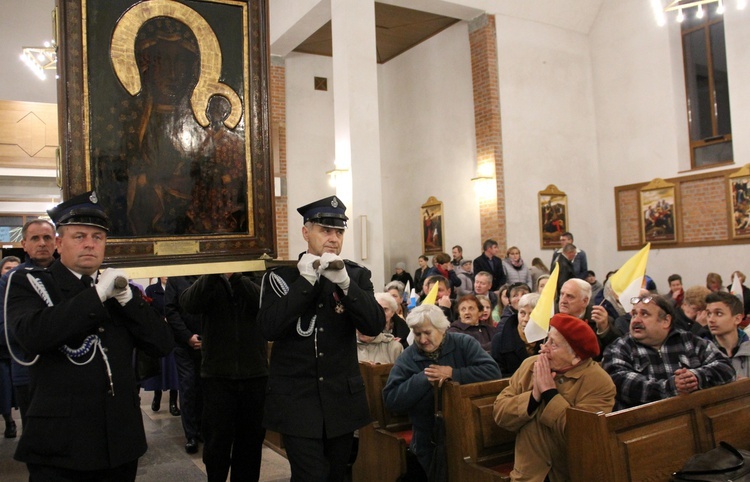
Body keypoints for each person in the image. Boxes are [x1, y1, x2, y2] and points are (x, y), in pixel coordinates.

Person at [6, 191, 174, 480]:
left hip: (120, 440)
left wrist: (128, 301)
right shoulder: (30, 283)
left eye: (97, 237)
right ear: (59, 244)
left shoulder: (120, 290)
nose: (89, 244)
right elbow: (33, 335)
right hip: (62, 444)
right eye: (79, 236)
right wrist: (96, 296)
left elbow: (162, 343)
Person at [258, 195, 385, 481]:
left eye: (339, 232)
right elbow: (269, 327)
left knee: (338, 474)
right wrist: (304, 284)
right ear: (306, 232)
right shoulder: (281, 277)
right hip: (296, 402)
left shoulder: (355, 275)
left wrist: (346, 285)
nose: (333, 238)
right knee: (310, 476)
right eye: (325, 230)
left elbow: (374, 324)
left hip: (341, 400)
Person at [493, 314, 616, 481]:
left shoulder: (599, 383)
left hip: (569, 475)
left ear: (576, 358)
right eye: (547, 340)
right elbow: (499, 414)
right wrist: (533, 397)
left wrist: (550, 394)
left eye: (553, 344)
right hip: (528, 476)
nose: (543, 348)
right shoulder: (530, 365)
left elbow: (582, 436)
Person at [383, 304, 500, 474]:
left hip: (467, 432)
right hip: (428, 438)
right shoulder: (409, 357)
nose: (422, 340)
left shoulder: (463, 343)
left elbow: (492, 372)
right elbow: (391, 399)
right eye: (417, 334)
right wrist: (423, 379)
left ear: (442, 329)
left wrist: (454, 373)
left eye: (427, 333)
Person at [181, 272, 268, 481]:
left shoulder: (256, 274)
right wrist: (213, 274)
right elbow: (189, 304)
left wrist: (237, 277)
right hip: (216, 376)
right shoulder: (207, 278)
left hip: (254, 374)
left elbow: (264, 303)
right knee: (216, 446)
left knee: (250, 444)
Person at [603, 295, 735, 410]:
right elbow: (620, 383)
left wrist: (695, 377)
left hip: (694, 418)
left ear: (666, 321)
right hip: (644, 427)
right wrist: (670, 387)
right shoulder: (620, 347)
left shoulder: (689, 341)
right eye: (634, 314)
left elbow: (726, 367)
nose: (636, 320)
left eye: (644, 314)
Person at [0, 220, 57, 435]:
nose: (42, 243)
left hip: (66, 368)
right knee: (37, 434)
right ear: (24, 244)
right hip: (28, 368)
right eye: (35, 238)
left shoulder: (66, 273)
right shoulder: (11, 280)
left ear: (57, 242)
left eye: (47, 238)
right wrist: (43, 333)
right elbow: (5, 329)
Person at [165, 275, 204, 454]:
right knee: (188, 387)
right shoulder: (176, 279)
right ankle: (191, 434)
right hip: (184, 344)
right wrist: (187, 337)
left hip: (208, 343)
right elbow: (171, 311)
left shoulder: (207, 276)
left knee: (206, 386)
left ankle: (204, 429)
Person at [142, 277, 181, 417]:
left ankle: (172, 402)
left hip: (173, 333)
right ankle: (156, 396)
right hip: (158, 333)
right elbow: (148, 311)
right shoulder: (151, 290)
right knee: (158, 369)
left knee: (173, 369)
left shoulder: (175, 288)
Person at [491, 293, 542, 377]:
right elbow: (498, 376)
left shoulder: (547, 339)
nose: (526, 319)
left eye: (532, 314)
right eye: (522, 313)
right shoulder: (500, 340)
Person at [706, 291, 750, 378]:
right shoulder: (701, 353)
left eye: (718, 313)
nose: (711, 319)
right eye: (709, 314)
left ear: (737, 319)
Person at [0, 255, 21, 438]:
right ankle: (9, 420)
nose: (12, 271)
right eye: (8, 268)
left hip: (19, 351)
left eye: (16, 267)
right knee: (5, 390)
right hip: (2, 352)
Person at [357, 292, 404, 365]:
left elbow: (403, 374)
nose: (363, 328)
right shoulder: (347, 346)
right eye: (360, 323)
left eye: (385, 309)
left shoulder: (394, 348)